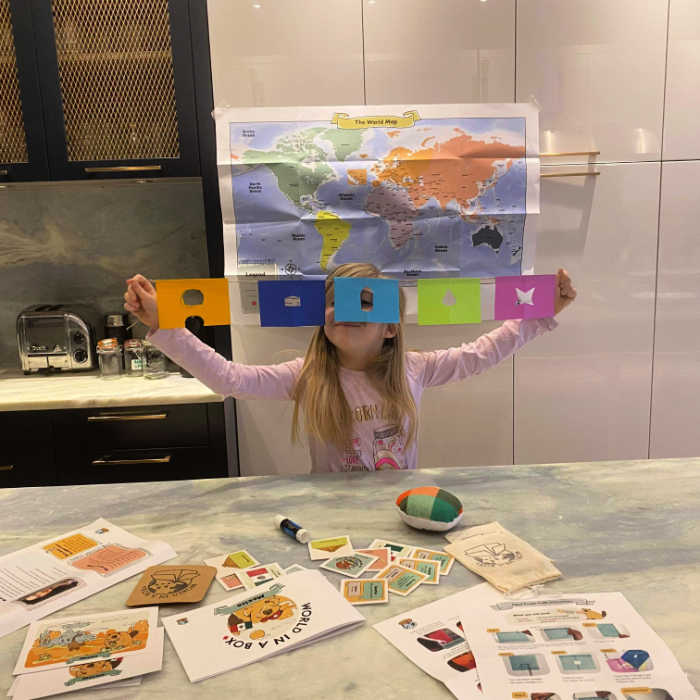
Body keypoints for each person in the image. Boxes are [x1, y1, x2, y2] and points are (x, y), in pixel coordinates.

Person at [124, 263, 576, 472]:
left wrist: (538, 314)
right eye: (335, 302)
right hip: (329, 518)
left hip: (401, 507)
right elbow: (229, 378)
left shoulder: (414, 370)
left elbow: (481, 353)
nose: (346, 311)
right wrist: (167, 326)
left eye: (364, 303)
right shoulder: (307, 377)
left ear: (391, 329)